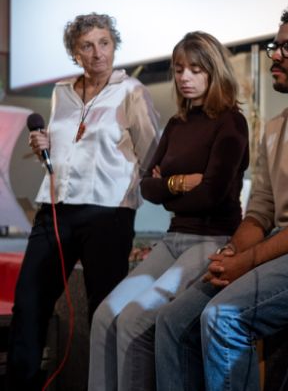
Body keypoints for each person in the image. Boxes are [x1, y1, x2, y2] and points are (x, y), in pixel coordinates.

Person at [153, 3, 288, 391]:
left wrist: (247, 261)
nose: (275, 56)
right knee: (172, 321)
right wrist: (231, 253)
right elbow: (260, 210)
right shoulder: (275, 127)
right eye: (275, 47)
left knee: (223, 316)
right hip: (280, 244)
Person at [88, 31, 249, 391]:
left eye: (195, 69)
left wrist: (168, 187)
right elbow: (147, 186)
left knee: (133, 319)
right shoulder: (177, 124)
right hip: (174, 237)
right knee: (104, 316)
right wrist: (181, 184)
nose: (184, 77)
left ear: (214, 72)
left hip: (212, 239)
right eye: (178, 69)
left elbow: (212, 195)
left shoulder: (231, 122)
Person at [6, 13, 160, 391]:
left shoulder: (132, 91)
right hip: (56, 208)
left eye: (104, 43)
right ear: (75, 54)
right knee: (29, 302)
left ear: (114, 45)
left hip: (108, 212)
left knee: (104, 311)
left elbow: (153, 153)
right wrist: (43, 146)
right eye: (87, 46)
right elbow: (65, 146)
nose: (97, 53)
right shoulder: (61, 92)